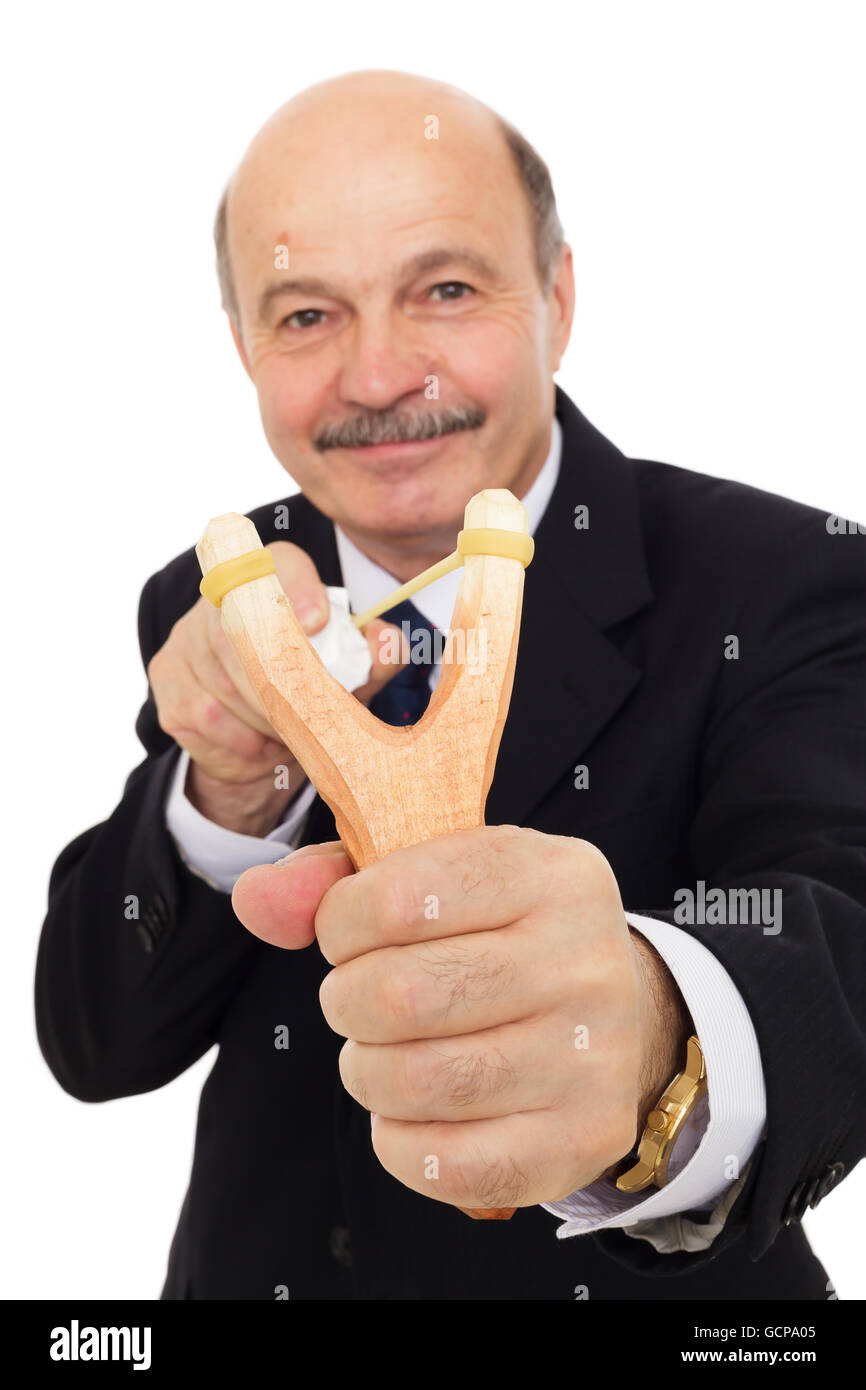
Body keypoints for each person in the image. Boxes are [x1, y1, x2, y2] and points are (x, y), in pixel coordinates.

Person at [36, 69, 866, 1300]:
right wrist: (223, 789)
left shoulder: (784, 576)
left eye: (444, 289)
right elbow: (96, 1046)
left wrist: (654, 1035)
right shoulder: (205, 596)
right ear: (242, 347)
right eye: (305, 314)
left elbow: (843, 931)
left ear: (556, 299)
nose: (379, 377)